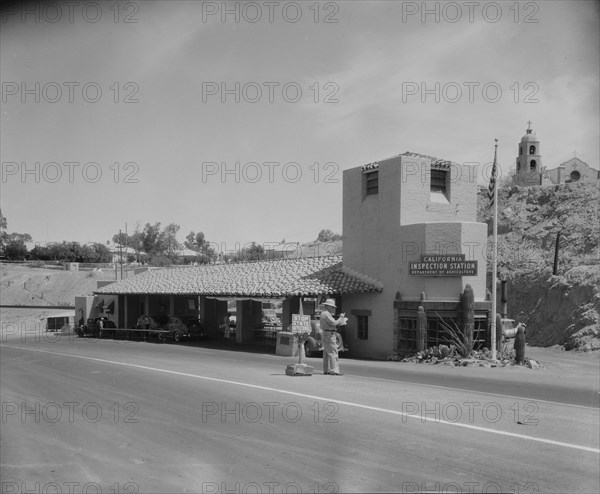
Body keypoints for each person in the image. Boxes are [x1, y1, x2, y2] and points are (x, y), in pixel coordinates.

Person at [320, 299, 346, 375]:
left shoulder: (324, 313)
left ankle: (327, 369)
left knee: (327, 353)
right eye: (332, 307)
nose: (333, 309)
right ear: (327, 306)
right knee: (333, 352)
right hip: (329, 334)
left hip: (327, 333)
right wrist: (341, 318)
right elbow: (334, 323)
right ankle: (334, 370)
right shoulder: (325, 314)